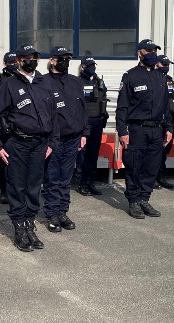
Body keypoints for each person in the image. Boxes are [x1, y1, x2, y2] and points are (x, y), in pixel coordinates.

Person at [0, 44, 58, 252]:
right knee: (17, 187)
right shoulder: (9, 84)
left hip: (40, 145)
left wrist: (52, 143)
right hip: (17, 144)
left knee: (34, 187)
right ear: (19, 60)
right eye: (26, 58)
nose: (31, 61)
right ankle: (19, 228)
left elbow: (53, 115)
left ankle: (30, 225)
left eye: (34, 57)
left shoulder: (44, 82)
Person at [116, 39, 173, 219]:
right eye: (149, 50)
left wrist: (169, 128)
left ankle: (144, 199)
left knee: (152, 167)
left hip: (157, 130)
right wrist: (122, 131)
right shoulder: (130, 76)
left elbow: (166, 107)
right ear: (140, 52)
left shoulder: (160, 77)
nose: (152, 53)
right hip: (136, 130)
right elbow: (122, 107)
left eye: (154, 50)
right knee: (134, 166)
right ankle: (133, 201)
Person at [42, 46, 88, 232]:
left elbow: (83, 109)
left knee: (66, 178)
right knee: (52, 177)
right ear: (52, 60)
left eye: (68, 58)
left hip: (73, 137)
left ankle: (62, 211)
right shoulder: (42, 82)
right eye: (61, 58)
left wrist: (84, 133)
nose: (65, 61)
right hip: (54, 139)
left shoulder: (75, 82)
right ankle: (52, 213)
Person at [76, 57, 108, 196]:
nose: (92, 68)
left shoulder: (99, 82)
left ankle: (90, 182)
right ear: (82, 67)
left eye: (93, 65)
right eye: (89, 65)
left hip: (97, 122)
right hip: (84, 123)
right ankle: (82, 183)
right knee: (82, 154)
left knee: (93, 153)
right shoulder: (77, 82)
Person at [0, 51, 18, 204]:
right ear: (5, 64)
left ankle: (18, 190)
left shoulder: (24, 79)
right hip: (3, 126)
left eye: (16, 61)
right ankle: (4, 190)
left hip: (21, 125)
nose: (14, 64)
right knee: (4, 161)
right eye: (10, 62)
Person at [155, 54, 174, 189]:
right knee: (155, 151)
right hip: (159, 121)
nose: (166, 67)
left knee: (165, 150)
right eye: (164, 65)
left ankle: (160, 176)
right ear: (157, 64)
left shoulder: (169, 80)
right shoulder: (154, 79)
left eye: (168, 65)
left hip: (170, 121)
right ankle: (152, 178)